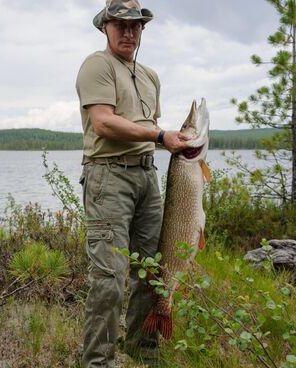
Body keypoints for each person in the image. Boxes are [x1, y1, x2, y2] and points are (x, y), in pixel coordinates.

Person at [75, 1, 189, 367]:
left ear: (143, 31)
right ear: (105, 27)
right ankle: (98, 362)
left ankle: (143, 349)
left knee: (151, 270)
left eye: (135, 26)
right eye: (119, 25)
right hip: (108, 176)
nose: (128, 32)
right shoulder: (97, 65)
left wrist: (165, 140)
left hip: (147, 176)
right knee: (109, 278)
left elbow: (149, 125)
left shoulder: (151, 76)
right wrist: (160, 135)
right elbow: (104, 123)